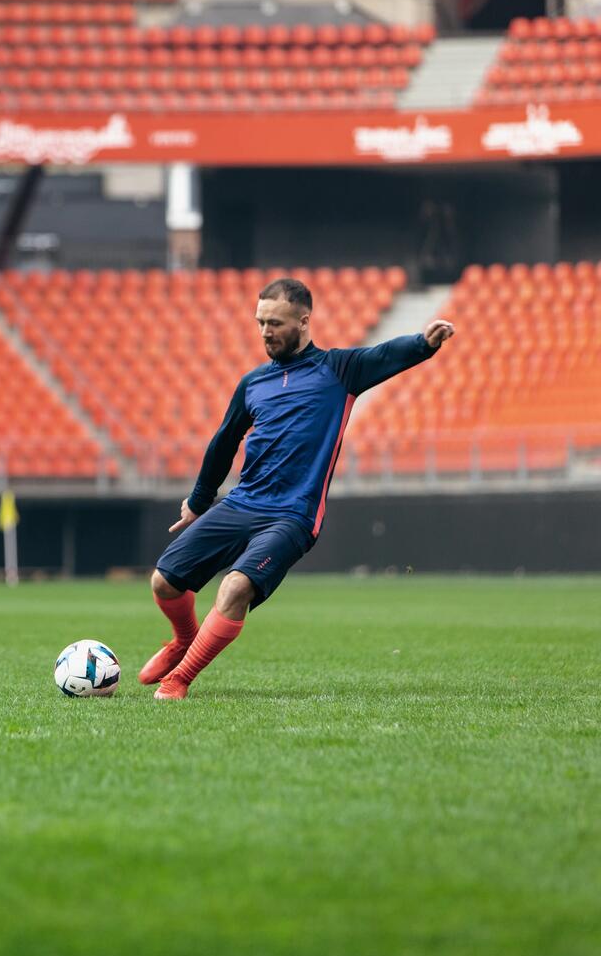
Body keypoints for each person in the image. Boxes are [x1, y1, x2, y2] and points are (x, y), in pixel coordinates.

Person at [139, 277, 455, 700]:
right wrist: (198, 501)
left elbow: (383, 355)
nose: (265, 332)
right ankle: (183, 641)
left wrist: (424, 343)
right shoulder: (253, 383)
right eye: (260, 322)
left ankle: (179, 680)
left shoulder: (339, 370)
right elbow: (223, 443)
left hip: (293, 514)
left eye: (275, 323)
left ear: (304, 321)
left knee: (234, 588)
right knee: (164, 581)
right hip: (244, 501)